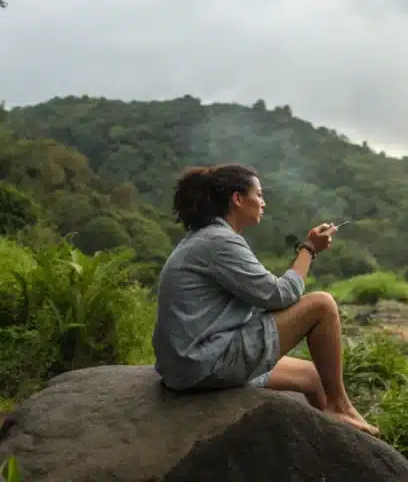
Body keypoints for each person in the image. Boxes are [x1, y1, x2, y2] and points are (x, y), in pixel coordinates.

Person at [151, 162, 378, 436]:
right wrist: (308, 250)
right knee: (322, 304)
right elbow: (281, 295)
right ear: (237, 199)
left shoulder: (204, 238)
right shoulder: (220, 242)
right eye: (258, 194)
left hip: (185, 367)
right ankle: (340, 407)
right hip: (204, 363)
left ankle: (336, 441)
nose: (263, 202)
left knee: (314, 376)